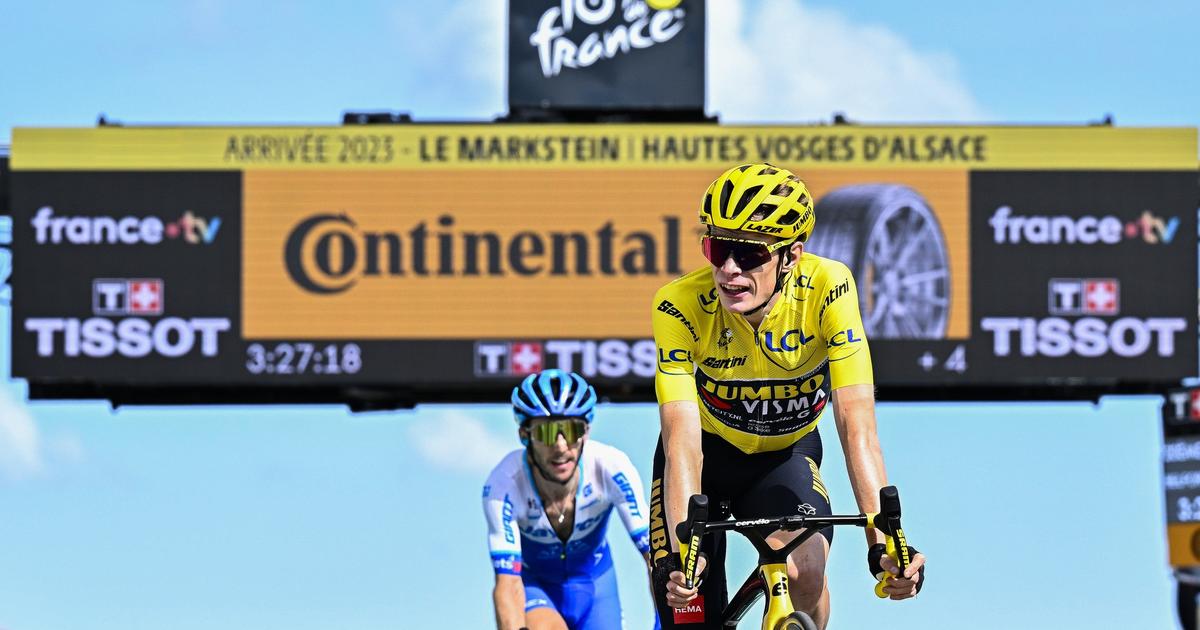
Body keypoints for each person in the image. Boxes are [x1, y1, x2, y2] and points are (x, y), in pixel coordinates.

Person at [648, 163, 926, 628]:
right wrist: (682, 554)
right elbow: (681, 440)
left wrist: (884, 542)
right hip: (704, 461)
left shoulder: (829, 288)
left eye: (749, 254)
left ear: (791, 256)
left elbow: (856, 425)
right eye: (717, 249)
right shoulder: (677, 305)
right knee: (687, 609)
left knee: (807, 573)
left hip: (784, 458)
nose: (728, 269)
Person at [484, 369, 657, 630]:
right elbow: (507, 584)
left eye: (571, 430)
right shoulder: (503, 484)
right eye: (546, 432)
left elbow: (655, 556)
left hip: (596, 586)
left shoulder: (611, 467)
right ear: (524, 436)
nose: (561, 446)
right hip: (537, 588)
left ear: (586, 432)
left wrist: (665, 622)